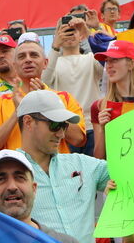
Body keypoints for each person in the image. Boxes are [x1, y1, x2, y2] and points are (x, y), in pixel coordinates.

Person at [14, 90, 110, 243]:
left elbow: (133, 171)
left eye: (63, 126)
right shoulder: (6, 175)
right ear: (28, 122)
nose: (61, 133)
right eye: (54, 125)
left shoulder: (82, 164)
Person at [0, 35, 86, 155]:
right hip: (18, 171)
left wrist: (46, 104)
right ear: (15, 65)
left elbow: (78, 139)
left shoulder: (64, 98)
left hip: (56, 172)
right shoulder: (0, 103)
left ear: (45, 63)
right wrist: (18, 112)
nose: (28, 60)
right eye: (21, 56)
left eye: (34, 55)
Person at [43, 15, 104, 155]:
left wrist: (87, 31)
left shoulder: (90, 58)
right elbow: (44, 82)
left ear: (80, 36)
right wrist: (55, 45)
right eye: (63, 31)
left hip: (92, 126)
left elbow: (105, 64)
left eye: (74, 31)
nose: (69, 34)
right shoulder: (53, 62)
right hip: (66, 129)